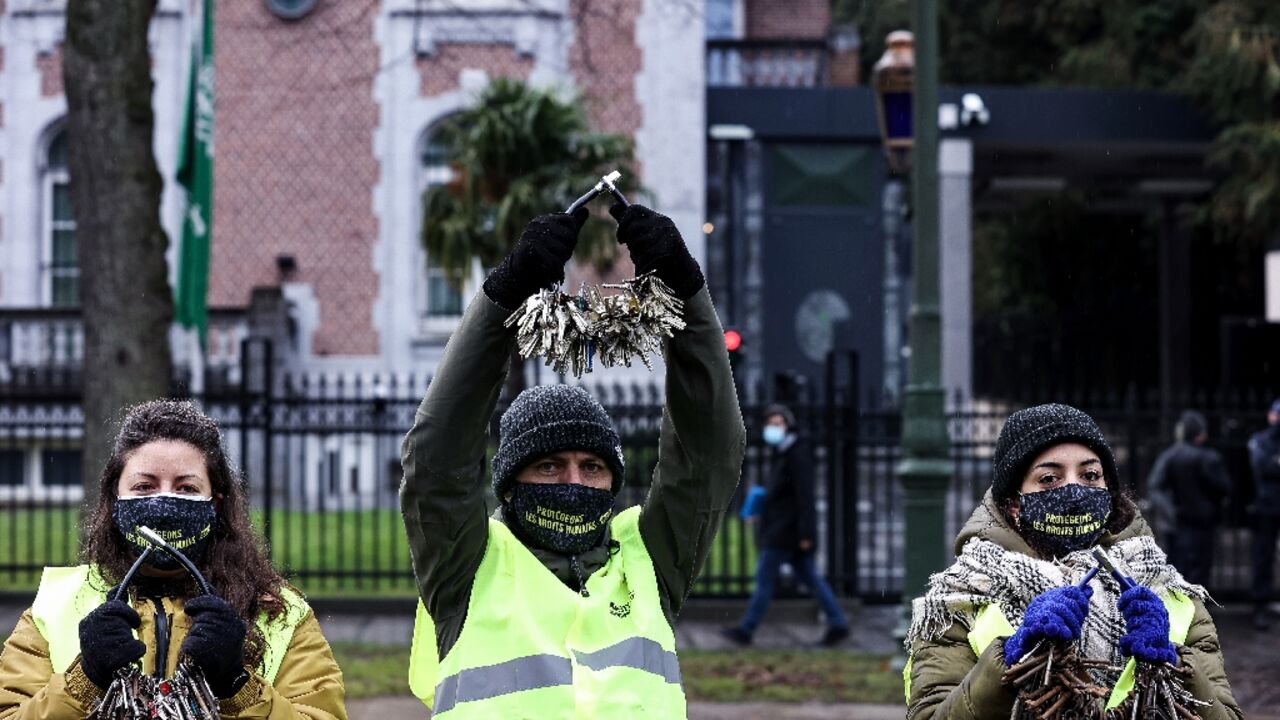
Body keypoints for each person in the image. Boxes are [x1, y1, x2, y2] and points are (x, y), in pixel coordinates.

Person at [400, 204, 745, 718]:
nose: (573, 481)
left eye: (592, 467)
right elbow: (437, 457)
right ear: (510, 482)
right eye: (548, 465)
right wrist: (502, 298)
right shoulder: (467, 568)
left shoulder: (648, 563)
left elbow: (709, 454)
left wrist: (686, 294)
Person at [0, 400, 346, 719]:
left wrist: (238, 687)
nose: (164, 503)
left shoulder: (279, 613)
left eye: (186, 488)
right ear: (114, 498)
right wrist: (83, 681)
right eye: (144, 487)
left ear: (215, 504)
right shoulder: (55, 607)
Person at [904, 403, 1241, 720]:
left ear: (1108, 490)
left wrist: (1175, 667)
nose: (1075, 491)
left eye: (1090, 475)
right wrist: (1011, 662)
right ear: (1013, 504)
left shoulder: (1170, 594)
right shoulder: (961, 598)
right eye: (1049, 478)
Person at [721, 404, 849, 647]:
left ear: (788, 426)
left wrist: (806, 533)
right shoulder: (785, 453)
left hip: (785, 532)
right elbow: (783, 496)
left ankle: (746, 630)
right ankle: (838, 623)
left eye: (778, 424)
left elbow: (805, 497)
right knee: (810, 578)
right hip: (785, 529)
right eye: (770, 424)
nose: (773, 428)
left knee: (765, 580)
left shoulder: (795, 454)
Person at [1146, 409, 1232, 586]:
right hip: (1203, 524)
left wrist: (1169, 511)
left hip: (1178, 523)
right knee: (1200, 572)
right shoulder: (1209, 458)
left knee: (1178, 572)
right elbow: (1224, 488)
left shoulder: (1171, 455)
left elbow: (1155, 486)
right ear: (1201, 434)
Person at [1247, 398, 1280, 631]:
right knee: (1263, 557)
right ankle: (1260, 604)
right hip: (1267, 508)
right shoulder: (1261, 441)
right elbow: (1262, 467)